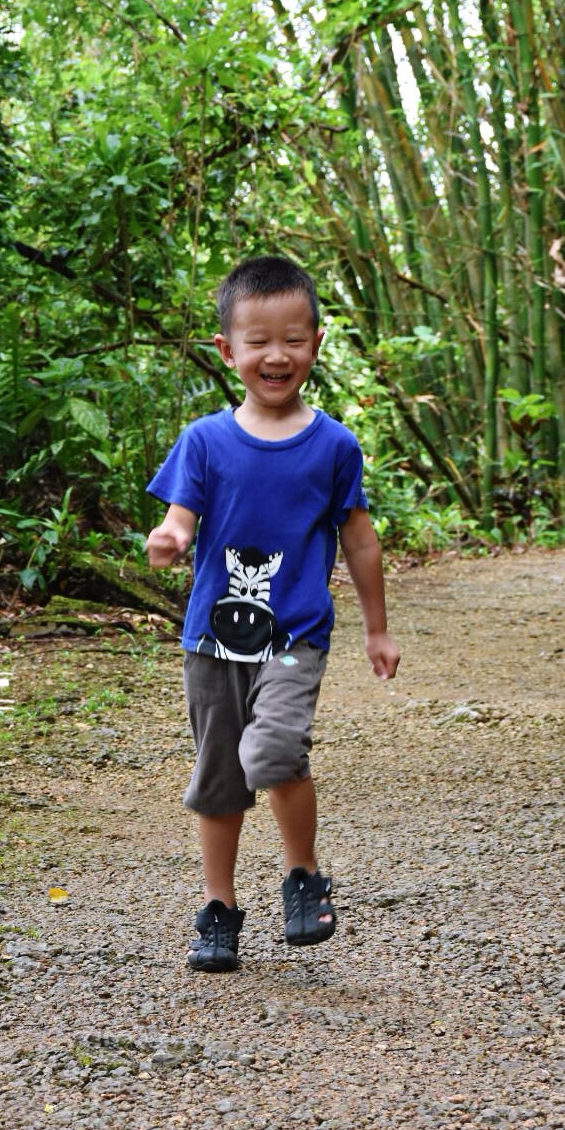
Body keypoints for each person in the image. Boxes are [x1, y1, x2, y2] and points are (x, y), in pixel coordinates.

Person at [146, 254, 400, 972]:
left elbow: (359, 540)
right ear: (228, 351)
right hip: (211, 641)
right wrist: (171, 537)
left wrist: (377, 628)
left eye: (292, 339)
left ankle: (302, 876)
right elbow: (181, 517)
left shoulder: (334, 445)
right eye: (258, 342)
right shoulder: (205, 440)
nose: (276, 355)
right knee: (220, 776)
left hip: (295, 636)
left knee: (273, 753)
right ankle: (219, 909)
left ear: (315, 343)